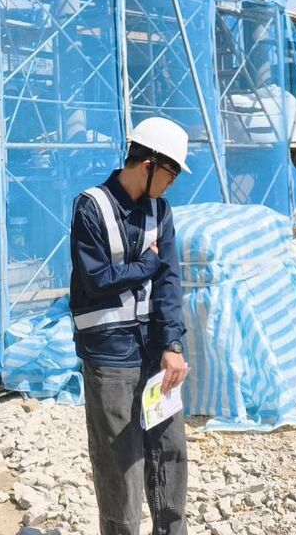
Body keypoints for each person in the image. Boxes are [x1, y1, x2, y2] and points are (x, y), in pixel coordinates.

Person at [70, 116, 191, 535]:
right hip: (109, 353)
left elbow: (170, 282)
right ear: (148, 164)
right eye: (171, 173)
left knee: (170, 452)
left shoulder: (161, 210)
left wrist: (172, 344)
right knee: (120, 464)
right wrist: (147, 263)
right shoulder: (91, 206)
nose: (172, 183)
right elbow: (97, 279)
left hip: (154, 351)